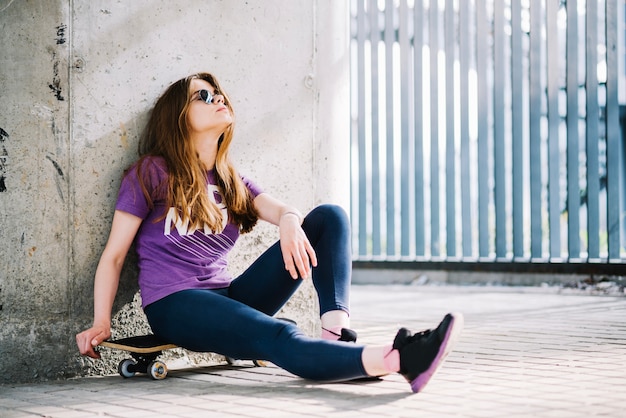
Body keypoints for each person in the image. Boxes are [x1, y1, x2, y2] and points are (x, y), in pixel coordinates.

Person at [75, 72, 463, 393]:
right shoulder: (151, 173)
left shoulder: (229, 179)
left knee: (329, 217)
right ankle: (400, 358)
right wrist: (100, 321)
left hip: (231, 296)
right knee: (278, 336)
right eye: (202, 96)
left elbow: (281, 209)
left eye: (218, 92)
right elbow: (114, 256)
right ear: (178, 116)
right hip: (175, 303)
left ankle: (335, 333)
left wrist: (291, 222)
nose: (217, 98)